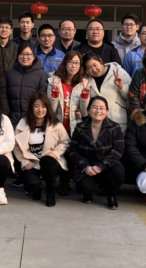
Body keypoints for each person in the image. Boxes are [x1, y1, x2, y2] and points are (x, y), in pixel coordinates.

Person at [67, 96, 125, 209]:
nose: (98, 111)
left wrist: (101, 165)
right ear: (88, 110)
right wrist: (85, 166)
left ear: (106, 111)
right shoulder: (80, 127)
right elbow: (73, 150)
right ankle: (87, 193)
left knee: (118, 171)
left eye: (101, 108)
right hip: (88, 167)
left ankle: (111, 195)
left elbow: (118, 149)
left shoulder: (114, 127)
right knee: (83, 187)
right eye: (94, 107)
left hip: (108, 166)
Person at [14, 92, 70, 207]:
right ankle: (37, 188)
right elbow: (16, 146)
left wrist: (56, 153)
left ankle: (50, 192)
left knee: (47, 161)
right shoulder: (23, 123)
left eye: (43, 106)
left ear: (47, 108)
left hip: (51, 162)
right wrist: (24, 161)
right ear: (31, 107)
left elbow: (66, 141)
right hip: (32, 162)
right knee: (32, 187)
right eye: (36, 106)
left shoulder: (55, 124)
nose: (40, 110)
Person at [47, 50, 87, 196]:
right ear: (65, 63)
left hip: (74, 125)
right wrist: (54, 94)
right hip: (58, 124)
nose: (73, 66)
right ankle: (59, 182)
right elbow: (50, 109)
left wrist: (85, 98)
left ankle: (66, 182)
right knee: (58, 154)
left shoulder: (83, 83)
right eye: (71, 62)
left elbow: (85, 112)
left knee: (71, 154)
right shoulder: (54, 80)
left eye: (77, 63)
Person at [73, 53, 131, 127]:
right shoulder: (86, 80)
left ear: (100, 61)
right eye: (89, 68)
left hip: (118, 121)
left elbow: (131, 97)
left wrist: (121, 87)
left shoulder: (118, 72)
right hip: (96, 124)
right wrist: (84, 96)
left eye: (95, 65)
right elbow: (84, 111)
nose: (94, 70)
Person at [6, 43, 48, 127]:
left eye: (28, 54)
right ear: (17, 56)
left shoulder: (41, 74)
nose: (25, 57)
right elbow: (5, 96)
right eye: (22, 54)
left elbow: (41, 99)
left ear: (33, 56)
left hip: (32, 120)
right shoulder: (9, 73)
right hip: (12, 120)